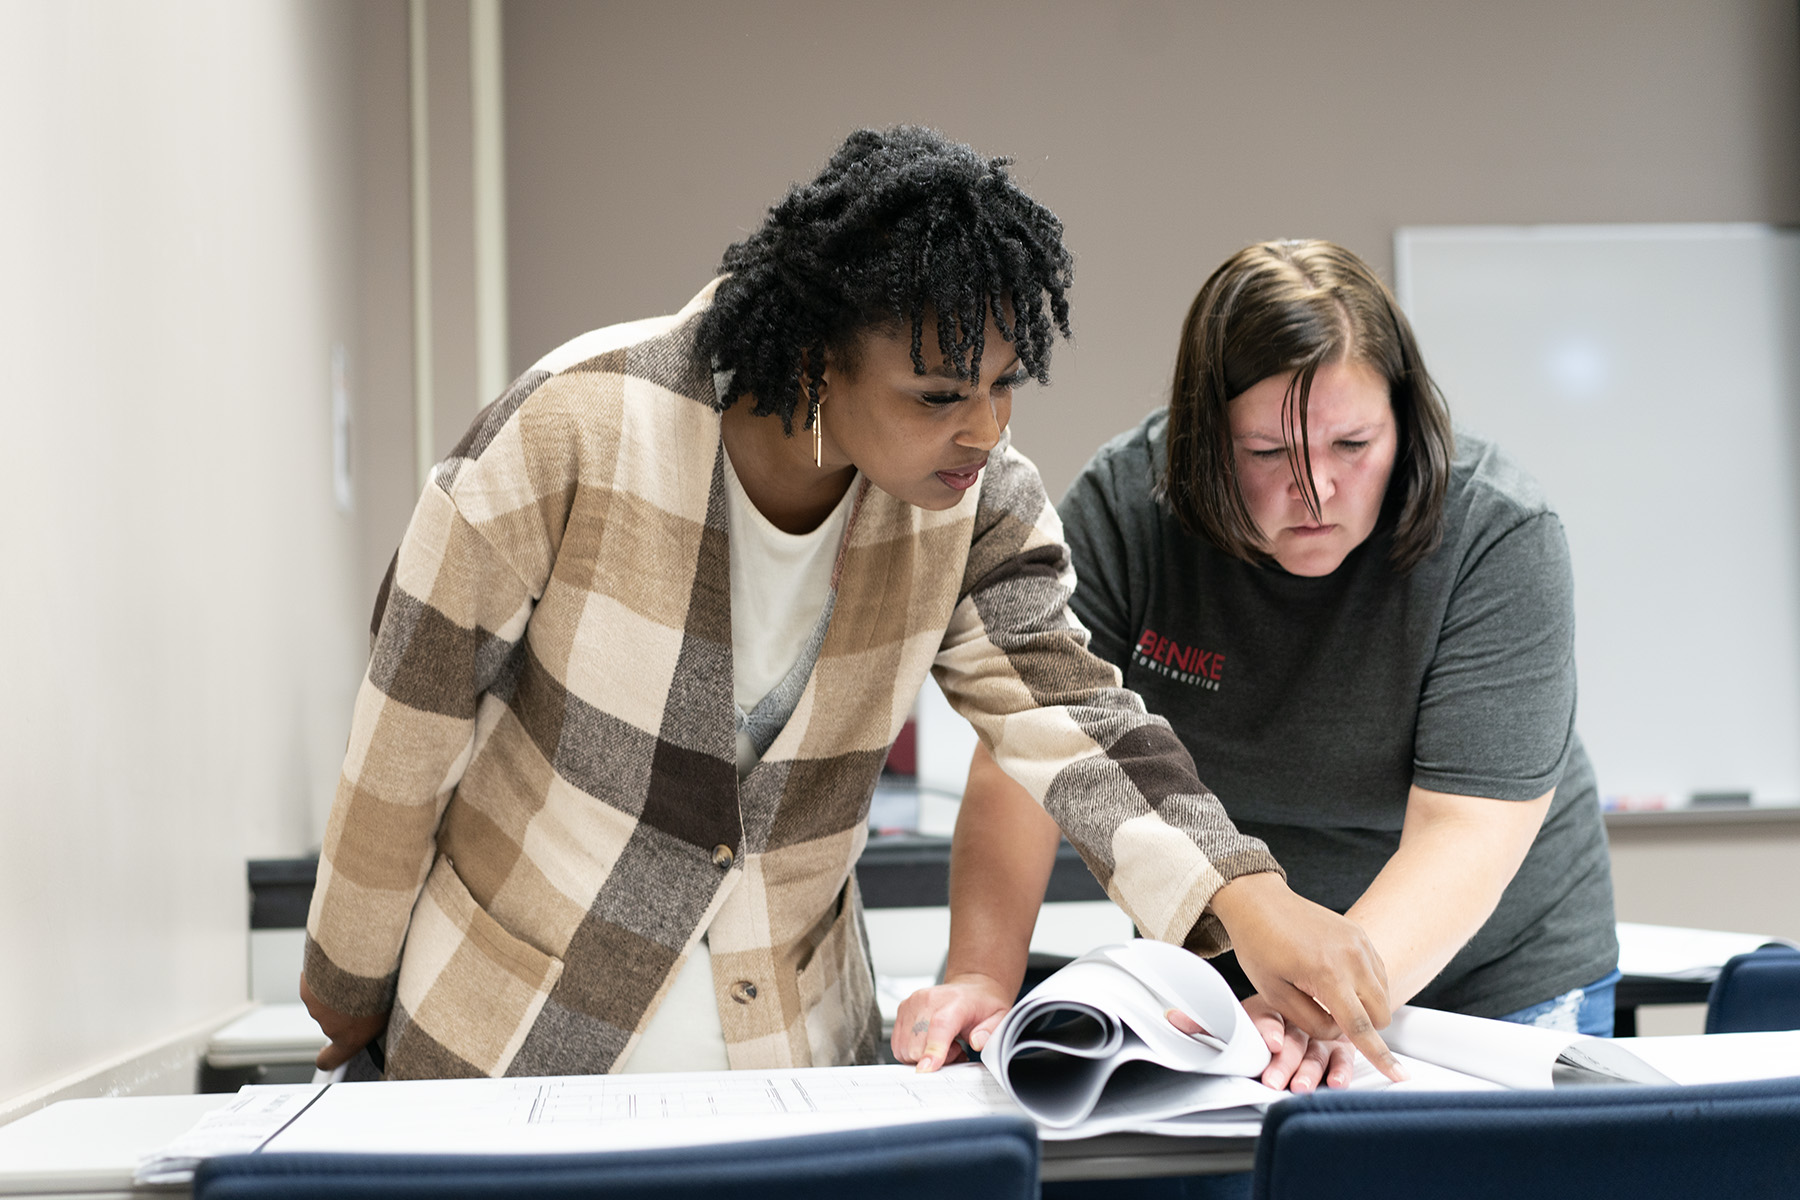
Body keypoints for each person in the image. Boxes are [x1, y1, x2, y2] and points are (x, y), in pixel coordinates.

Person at [299, 133, 1403, 1082]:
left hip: (792, 1058)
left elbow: (1074, 718)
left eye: (1006, 383)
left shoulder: (979, 500)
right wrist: (345, 983)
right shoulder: (575, 428)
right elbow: (411, 723)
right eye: (937, 395)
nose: (983, 429)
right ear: (818, 363)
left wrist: (1246, 899)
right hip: (508, 1047)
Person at [897, 239, 1618, 1094]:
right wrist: (983, 975)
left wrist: (1328, 1004)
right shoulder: (1133, 510)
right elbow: (1031, 751)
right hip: (1225, 975)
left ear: (1406, 421)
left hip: (1488, 984)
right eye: (1268, 455)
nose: (1314, 492)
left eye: (1352, 444)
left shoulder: (1498, 536)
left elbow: (1464, 834)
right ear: (1204, 444)